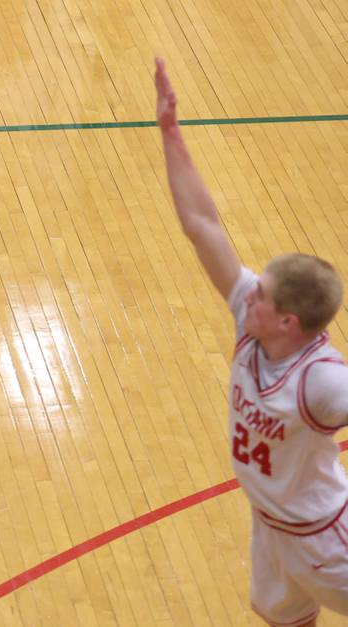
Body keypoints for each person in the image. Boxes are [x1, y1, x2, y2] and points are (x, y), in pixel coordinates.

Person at [155, 57, 348, 626]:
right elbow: (201, 226)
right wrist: (171, 133)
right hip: (271, 528)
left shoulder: (322, 380)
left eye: (261, 292)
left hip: (327, 542)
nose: (246, 291)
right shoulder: (250, 317)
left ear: (287, 321)